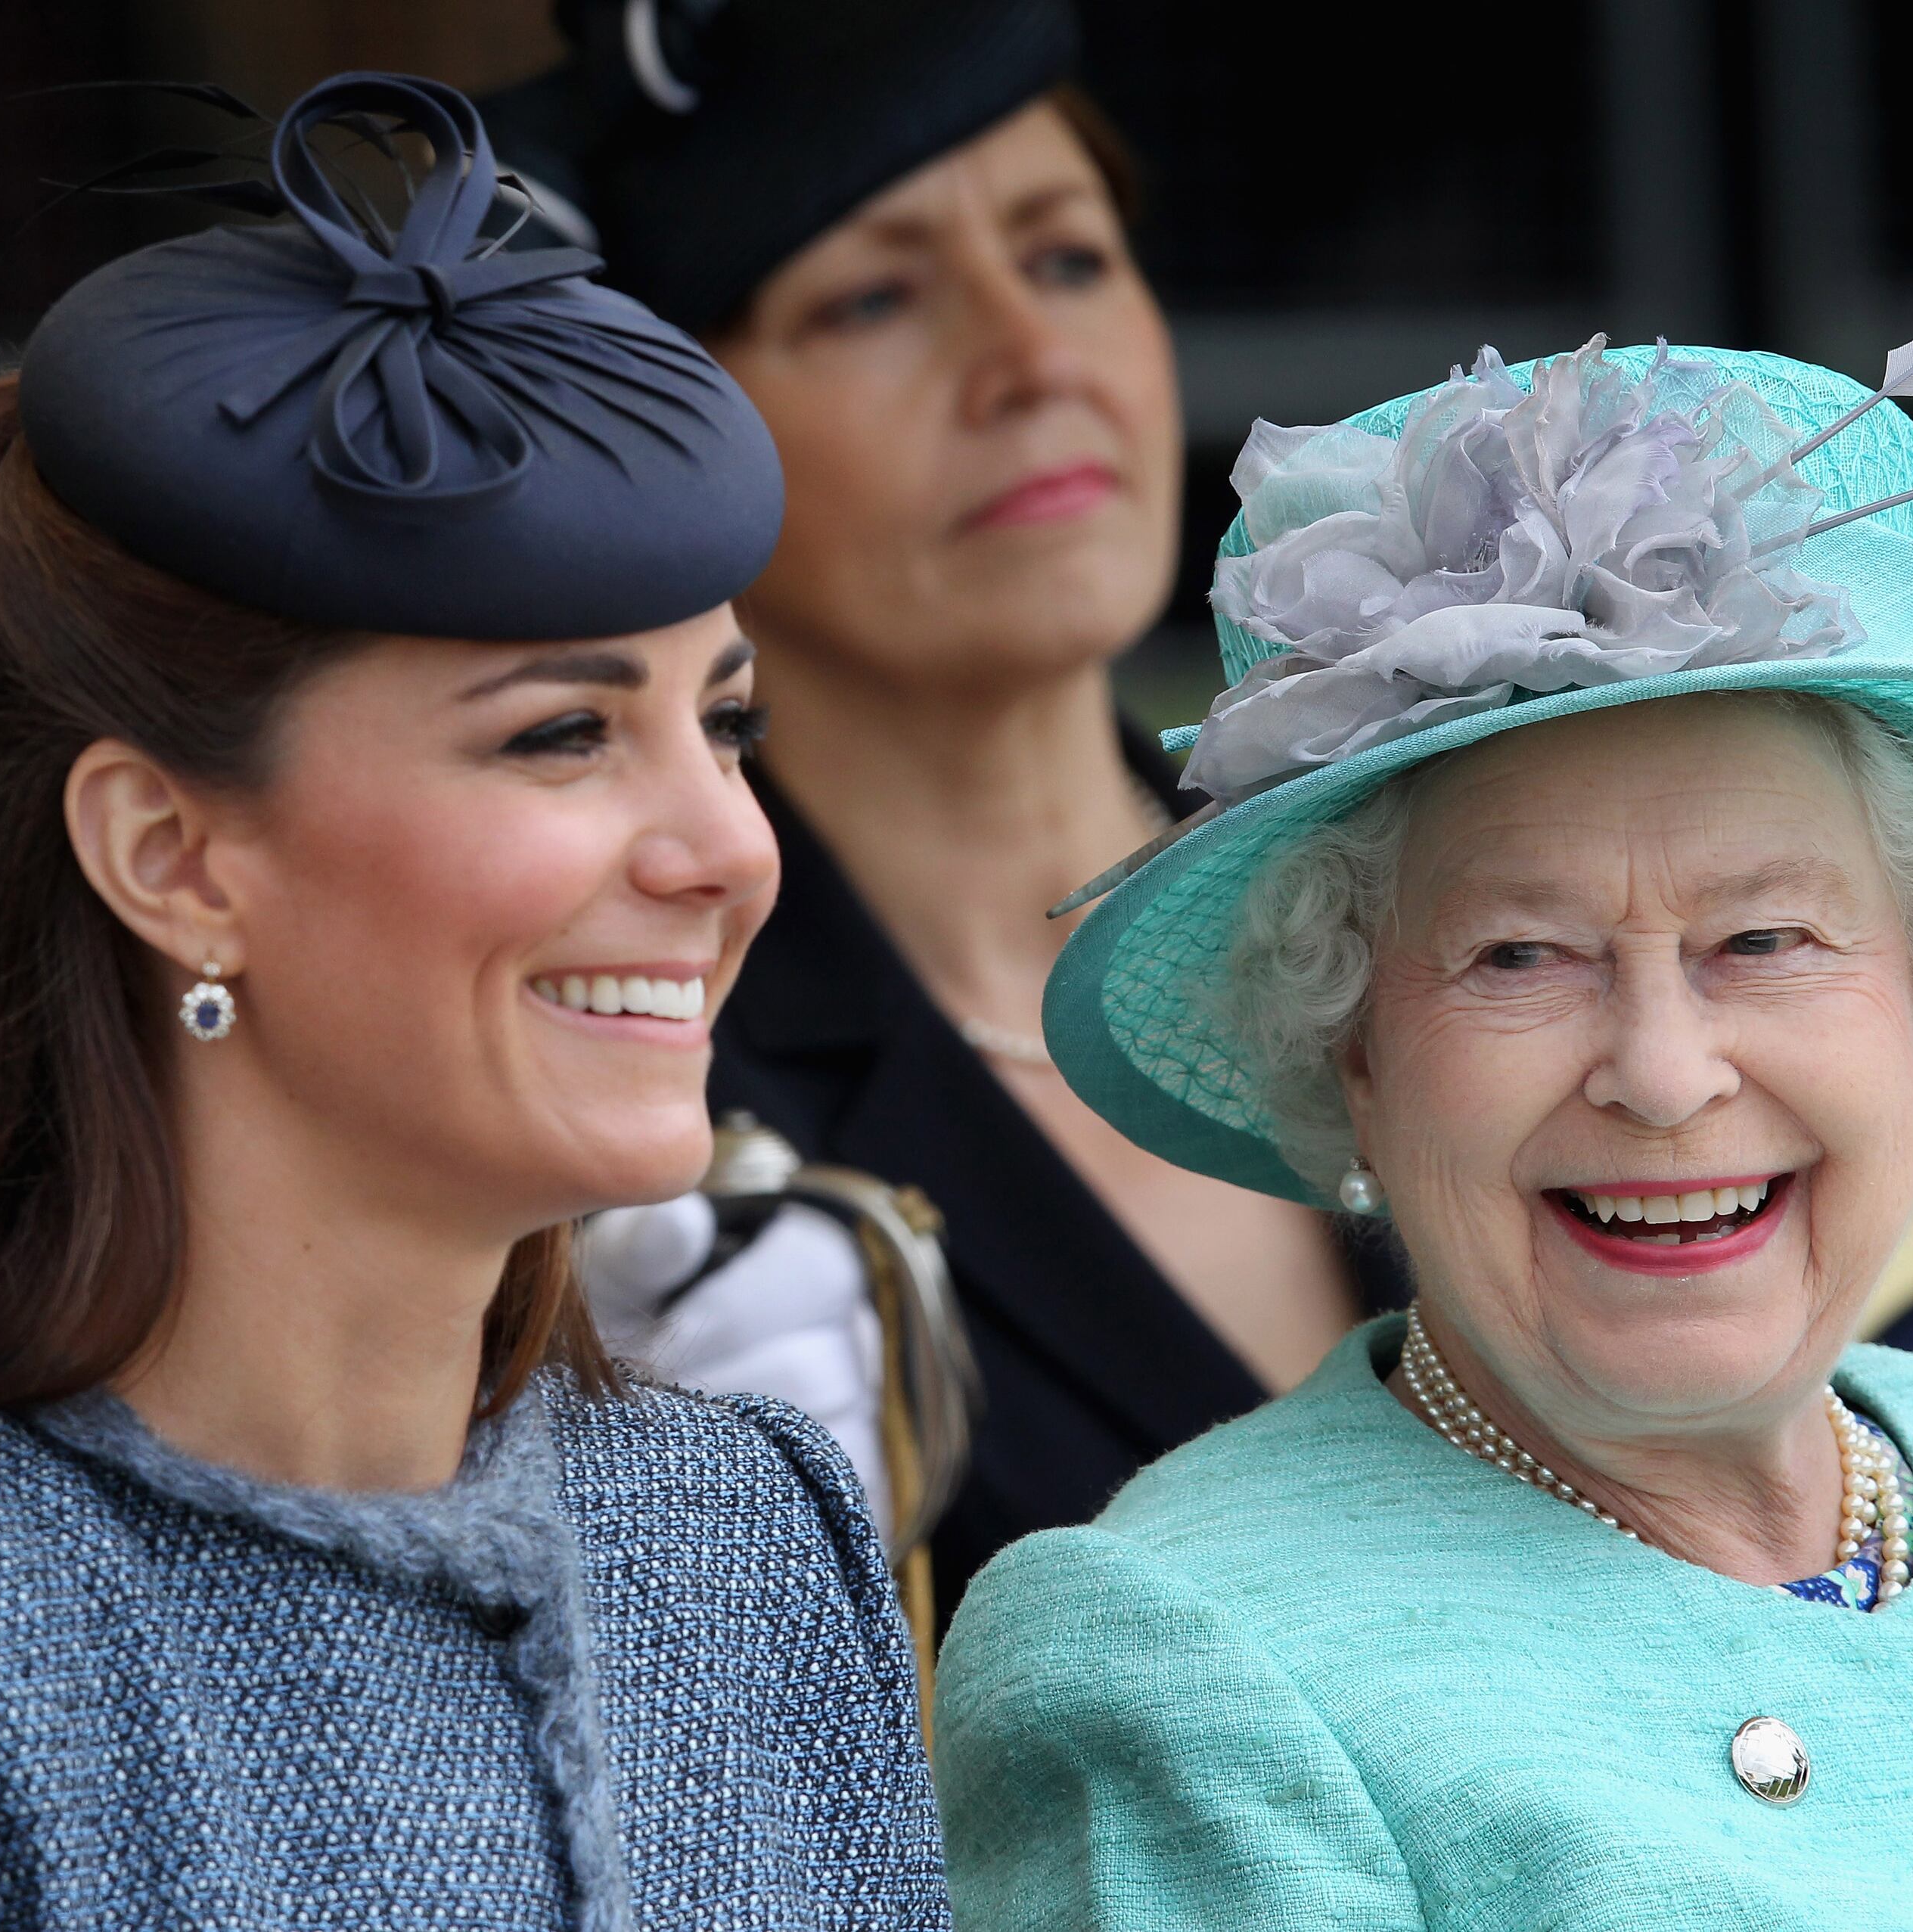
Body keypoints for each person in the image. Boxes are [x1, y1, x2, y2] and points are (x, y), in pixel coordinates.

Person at [0, 75, 944, 1930]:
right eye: (562, 734)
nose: (725, 847)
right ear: (171, 855)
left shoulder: (750, 1533)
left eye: (722, 725)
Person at [933, 311, 1913, 1923]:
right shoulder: (1182, 1660)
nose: (1666, 1075)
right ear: (1356, 1065)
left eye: (1766, 939)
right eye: (1519, 954)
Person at [485, 0, 1405, 1621]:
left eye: (1066, 257)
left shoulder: (1424, 882)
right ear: (666, 432)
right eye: (877, 298)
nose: (1031, 359)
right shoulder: (650, 1103)